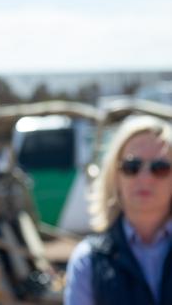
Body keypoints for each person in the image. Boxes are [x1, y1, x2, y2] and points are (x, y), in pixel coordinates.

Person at [64, 115, 172, 305]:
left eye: (160, 167)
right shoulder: (88, 261)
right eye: (132, 166)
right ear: (114, 176)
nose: (145, 178)